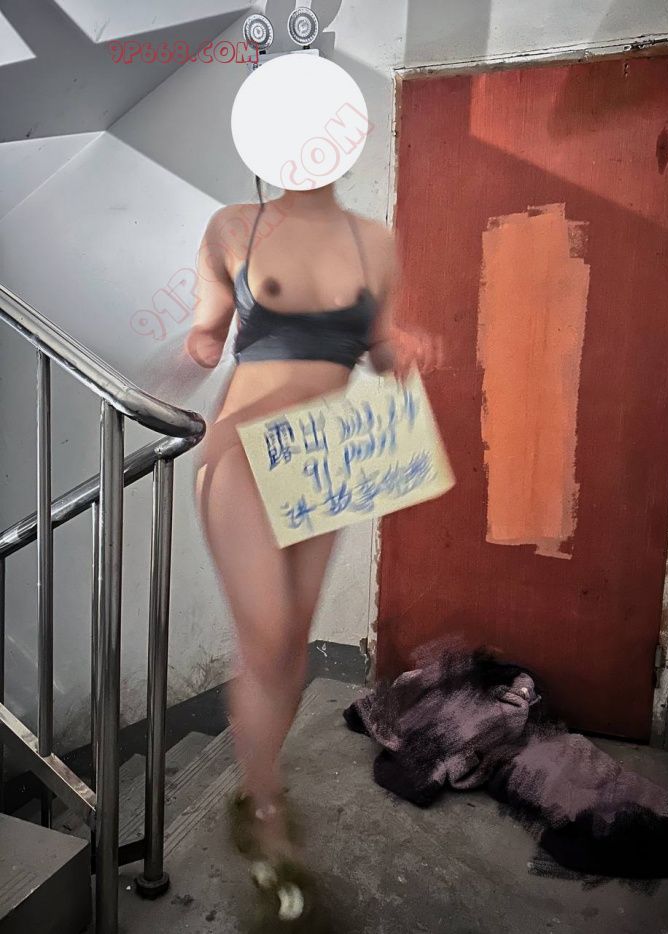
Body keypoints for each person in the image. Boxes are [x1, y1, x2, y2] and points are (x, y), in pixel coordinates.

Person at [185, 177, 435, 901]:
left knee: (292, 641)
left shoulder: (375, 241)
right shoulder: (232, 225)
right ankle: (266, 815)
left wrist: (404, 348)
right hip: (243, 452)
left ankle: (255, 787)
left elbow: (379, 347)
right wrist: (198, 343)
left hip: (325, 453)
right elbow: (206, 333)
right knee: (266, 640)